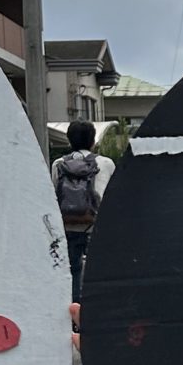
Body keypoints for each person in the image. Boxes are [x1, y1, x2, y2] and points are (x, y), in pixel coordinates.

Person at [52, 118, 114, 304]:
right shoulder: (106, 163)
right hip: (97, 225)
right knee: (100, 268)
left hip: (68, 224)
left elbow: (54, 195)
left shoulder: (58, 164)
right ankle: (98, 305)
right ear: (93, 140)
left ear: (69, 140)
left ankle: (74, 308)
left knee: (73, 269)